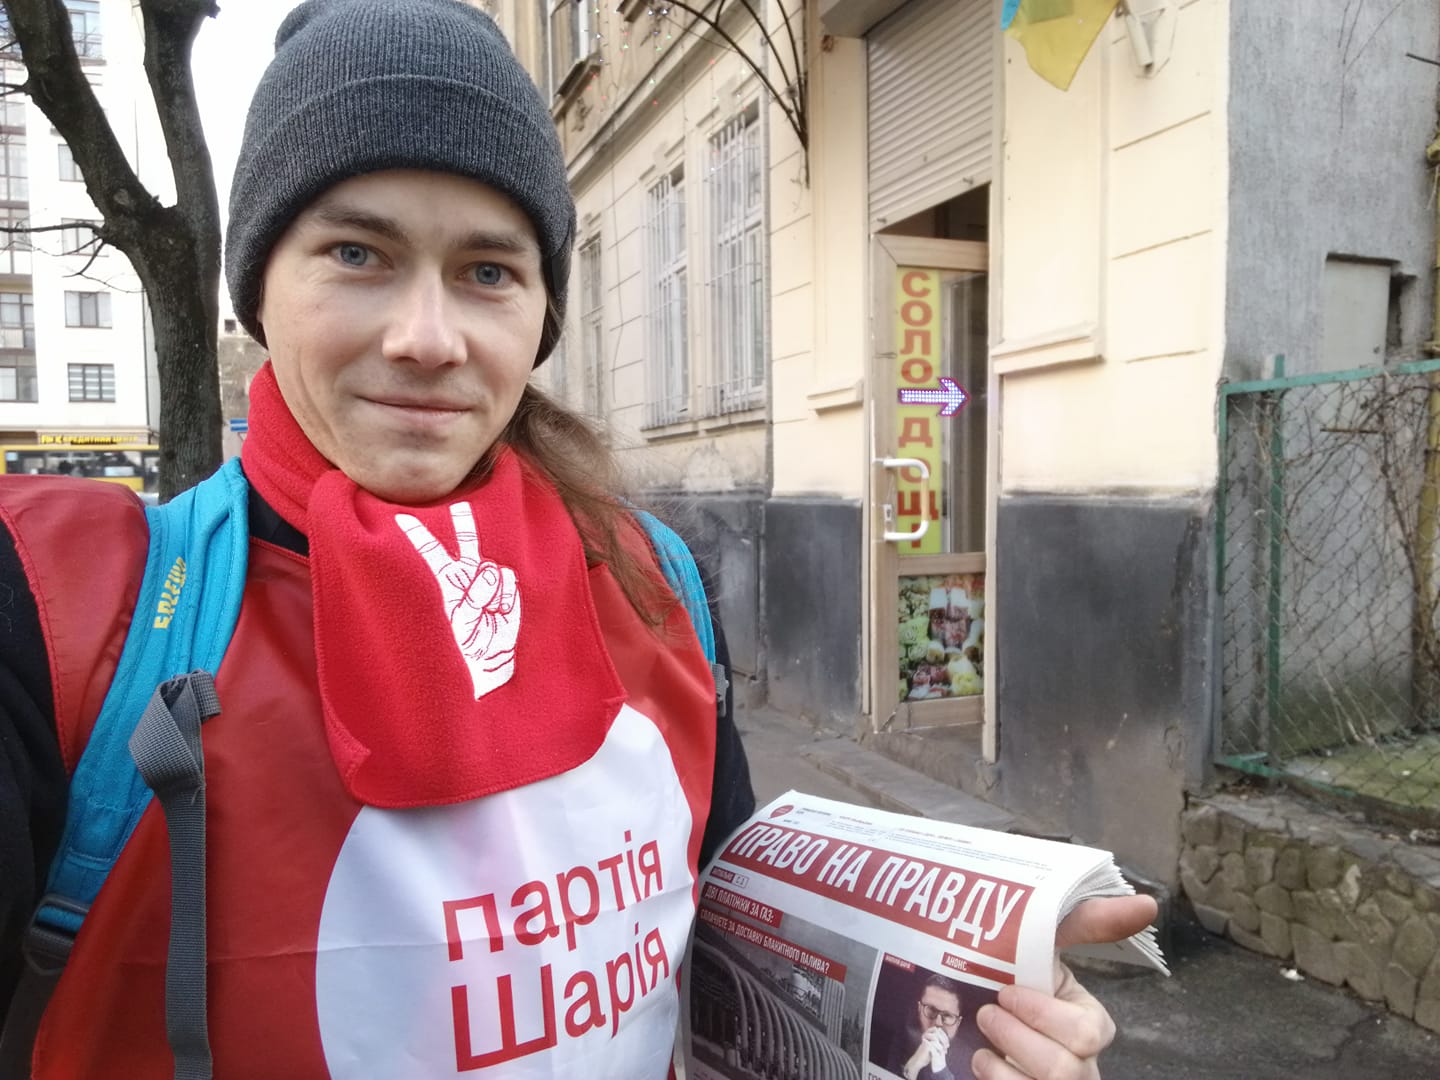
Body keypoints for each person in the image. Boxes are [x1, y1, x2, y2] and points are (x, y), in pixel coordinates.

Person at [0, 0, 1154, 1076]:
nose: (426, 336)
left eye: (489, 271)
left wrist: (961, 1005)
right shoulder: (61, 605)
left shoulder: (652, 578)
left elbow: (720, 940)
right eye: (357, 254)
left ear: (542, 315)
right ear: (258, 291)